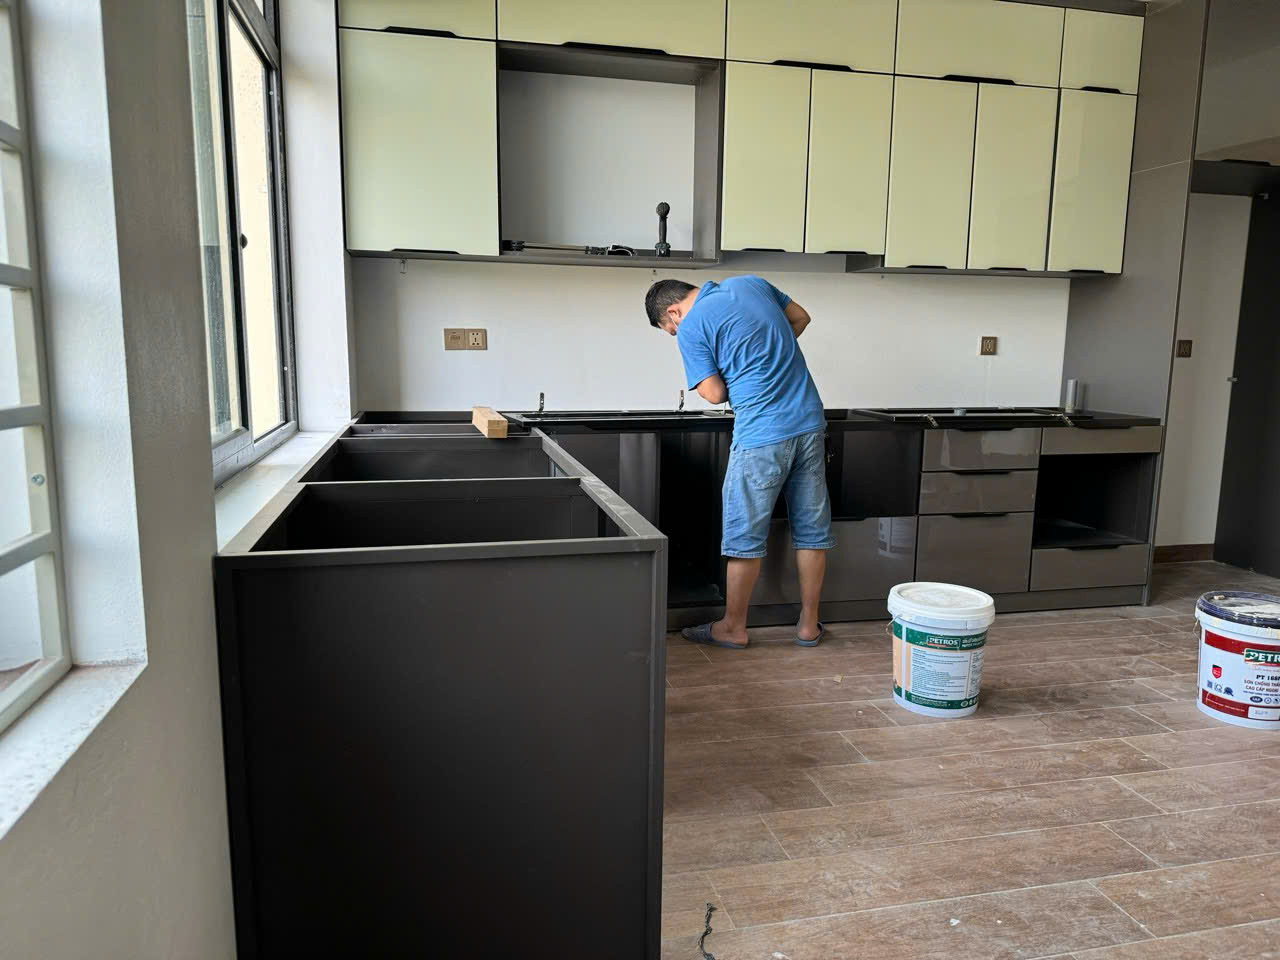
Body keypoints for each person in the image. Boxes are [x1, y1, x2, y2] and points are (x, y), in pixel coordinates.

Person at [645, 276, 833, 649]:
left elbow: (714, 393)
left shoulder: (692, 326)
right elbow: (801, 318)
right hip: (810, 422)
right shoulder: (752, 284)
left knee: (744, 534)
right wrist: (770, 361)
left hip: (762, 434)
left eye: (670, 329)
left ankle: (733, 627)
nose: (675, 334)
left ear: (674, 312)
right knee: (812, 530)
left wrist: (746, 374)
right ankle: (808, 626)